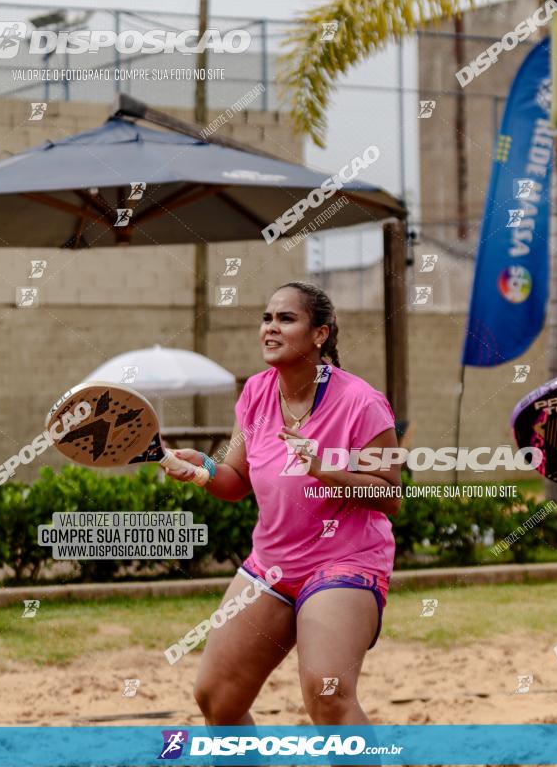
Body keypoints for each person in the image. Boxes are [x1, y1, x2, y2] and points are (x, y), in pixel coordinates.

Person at [165, 281, 402, 727]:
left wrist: (324, 469)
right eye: (267, 318)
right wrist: (201, 468)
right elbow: (235, 480)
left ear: (320, 334)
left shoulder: (361, 402)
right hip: (271, 565)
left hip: (344, 563)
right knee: (216, 697)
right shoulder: (256, 392)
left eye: (286, 319)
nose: (270, 328)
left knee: (328, 694)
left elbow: (390, 495)